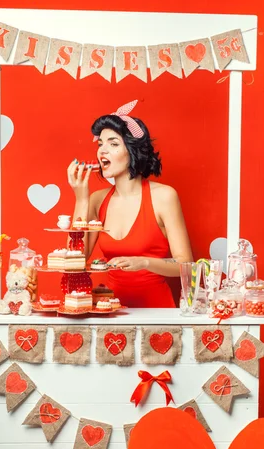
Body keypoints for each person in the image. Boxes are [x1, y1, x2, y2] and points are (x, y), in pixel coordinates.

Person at [67, 100, 193, 308]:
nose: (102, 151)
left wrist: (143, 262)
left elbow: (186, 265)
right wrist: (81, 199)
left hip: (156, 312)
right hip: (109, 312)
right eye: (100, 144)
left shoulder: (164, 196)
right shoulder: (97, 200)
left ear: (132, 151)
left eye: (113, 144)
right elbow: (75, 261)